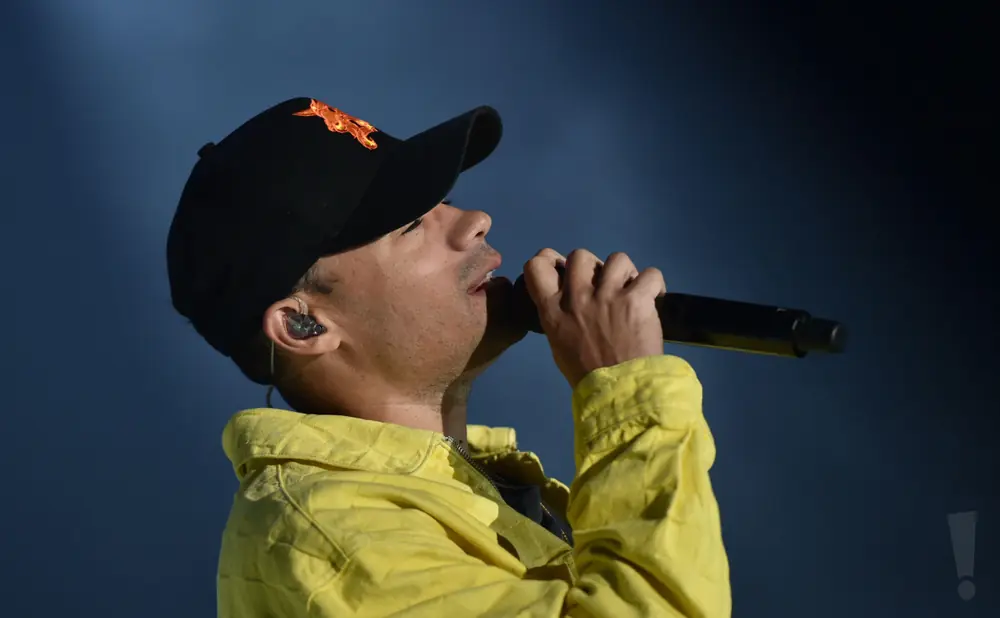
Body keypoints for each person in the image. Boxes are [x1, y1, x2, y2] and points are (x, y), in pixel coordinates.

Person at [167, 97, 731, 617]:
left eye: (448, 200)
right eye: (411, 224)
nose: (473, 219)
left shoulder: (478, 491)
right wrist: (627, 390)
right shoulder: (332, 537)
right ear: (302, 324)